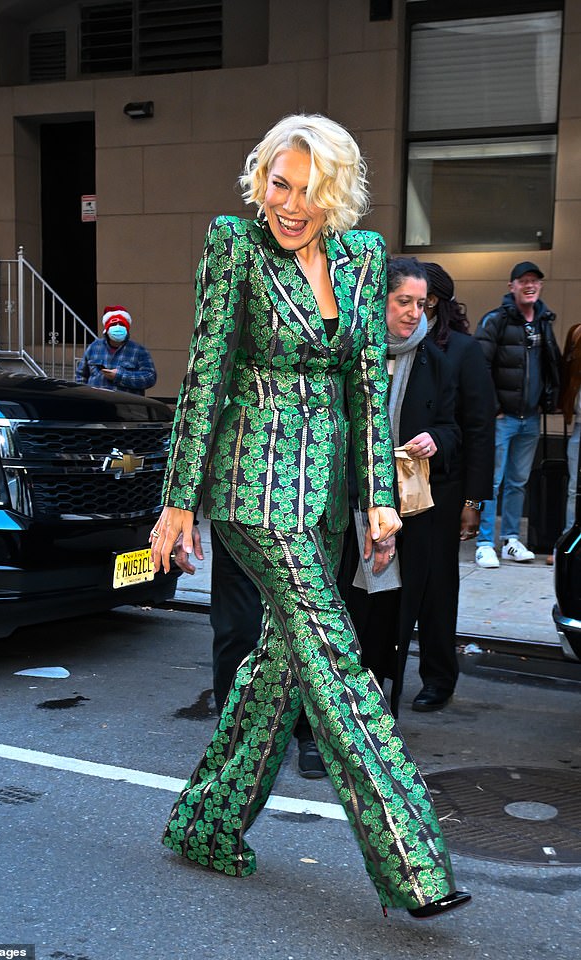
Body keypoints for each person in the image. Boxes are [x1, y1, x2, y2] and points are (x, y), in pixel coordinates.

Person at [149, 114, 469, 919]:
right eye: (276, 183)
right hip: (254, 488)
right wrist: (177, 503)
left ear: (337, 193)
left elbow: (365, 388)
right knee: (336, 663)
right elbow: (206, 375)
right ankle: (413, 862)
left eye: (307, 189)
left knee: (282, 668)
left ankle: (206, 824)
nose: (288, 204)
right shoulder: (237, 247)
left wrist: (380, 503)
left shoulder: (362, 260)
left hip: (324, 498)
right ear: (260, 180)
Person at [337, 257, 460, 717]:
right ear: (379, 301)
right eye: (403, 301)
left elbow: (454, 428)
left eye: (421, 303)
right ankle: (328, 711)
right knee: (348, 605)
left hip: (403, 508)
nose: (413, 312)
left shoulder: (436, 361)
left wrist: (437, 440)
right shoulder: (351, 352)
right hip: (345, 504)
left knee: (387, 610)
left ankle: (372, 706)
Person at [174, 522, 328, 779]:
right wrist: (183, 516)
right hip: (238, 508)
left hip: (310, 511)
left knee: (307, 629)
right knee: (236, 629)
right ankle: (234, 736)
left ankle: (310, 731)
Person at [412, 261, 495, 711]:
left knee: (438, 586)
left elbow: (479, 429)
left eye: (420, 301)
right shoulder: (397, 347)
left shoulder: (463, 351)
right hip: (397, 488)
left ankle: (439, 677)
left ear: (436, 302)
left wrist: (472, 500)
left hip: (445, 488)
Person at [474, 262, 561, 568]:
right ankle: (484, 542)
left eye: (535, 281)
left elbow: (551, 366)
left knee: (517, 483)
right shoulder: (495, 320)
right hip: (502, 419)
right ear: (511, 286)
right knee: (493, 482)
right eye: (523, 281)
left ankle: (510, 539)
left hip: (530, 418)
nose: (530, 286)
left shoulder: (543, 322)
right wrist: (494, 407)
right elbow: (479, 366)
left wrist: (548, 401)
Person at [75, 305, 157, 395]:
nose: (117, 327)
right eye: (113, 324)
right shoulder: (94, 347)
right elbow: (80, 376)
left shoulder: (139, 351)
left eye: (122, 325)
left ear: (127, 329)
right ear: (106, 329)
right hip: (97, 404)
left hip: (126, 406)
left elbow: (150, 378)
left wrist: (120, 376)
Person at [560, 323, 581, 531]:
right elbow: (565, 375)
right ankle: (568, 541)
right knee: (574, 488)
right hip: (579, 426)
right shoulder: (577, 333)